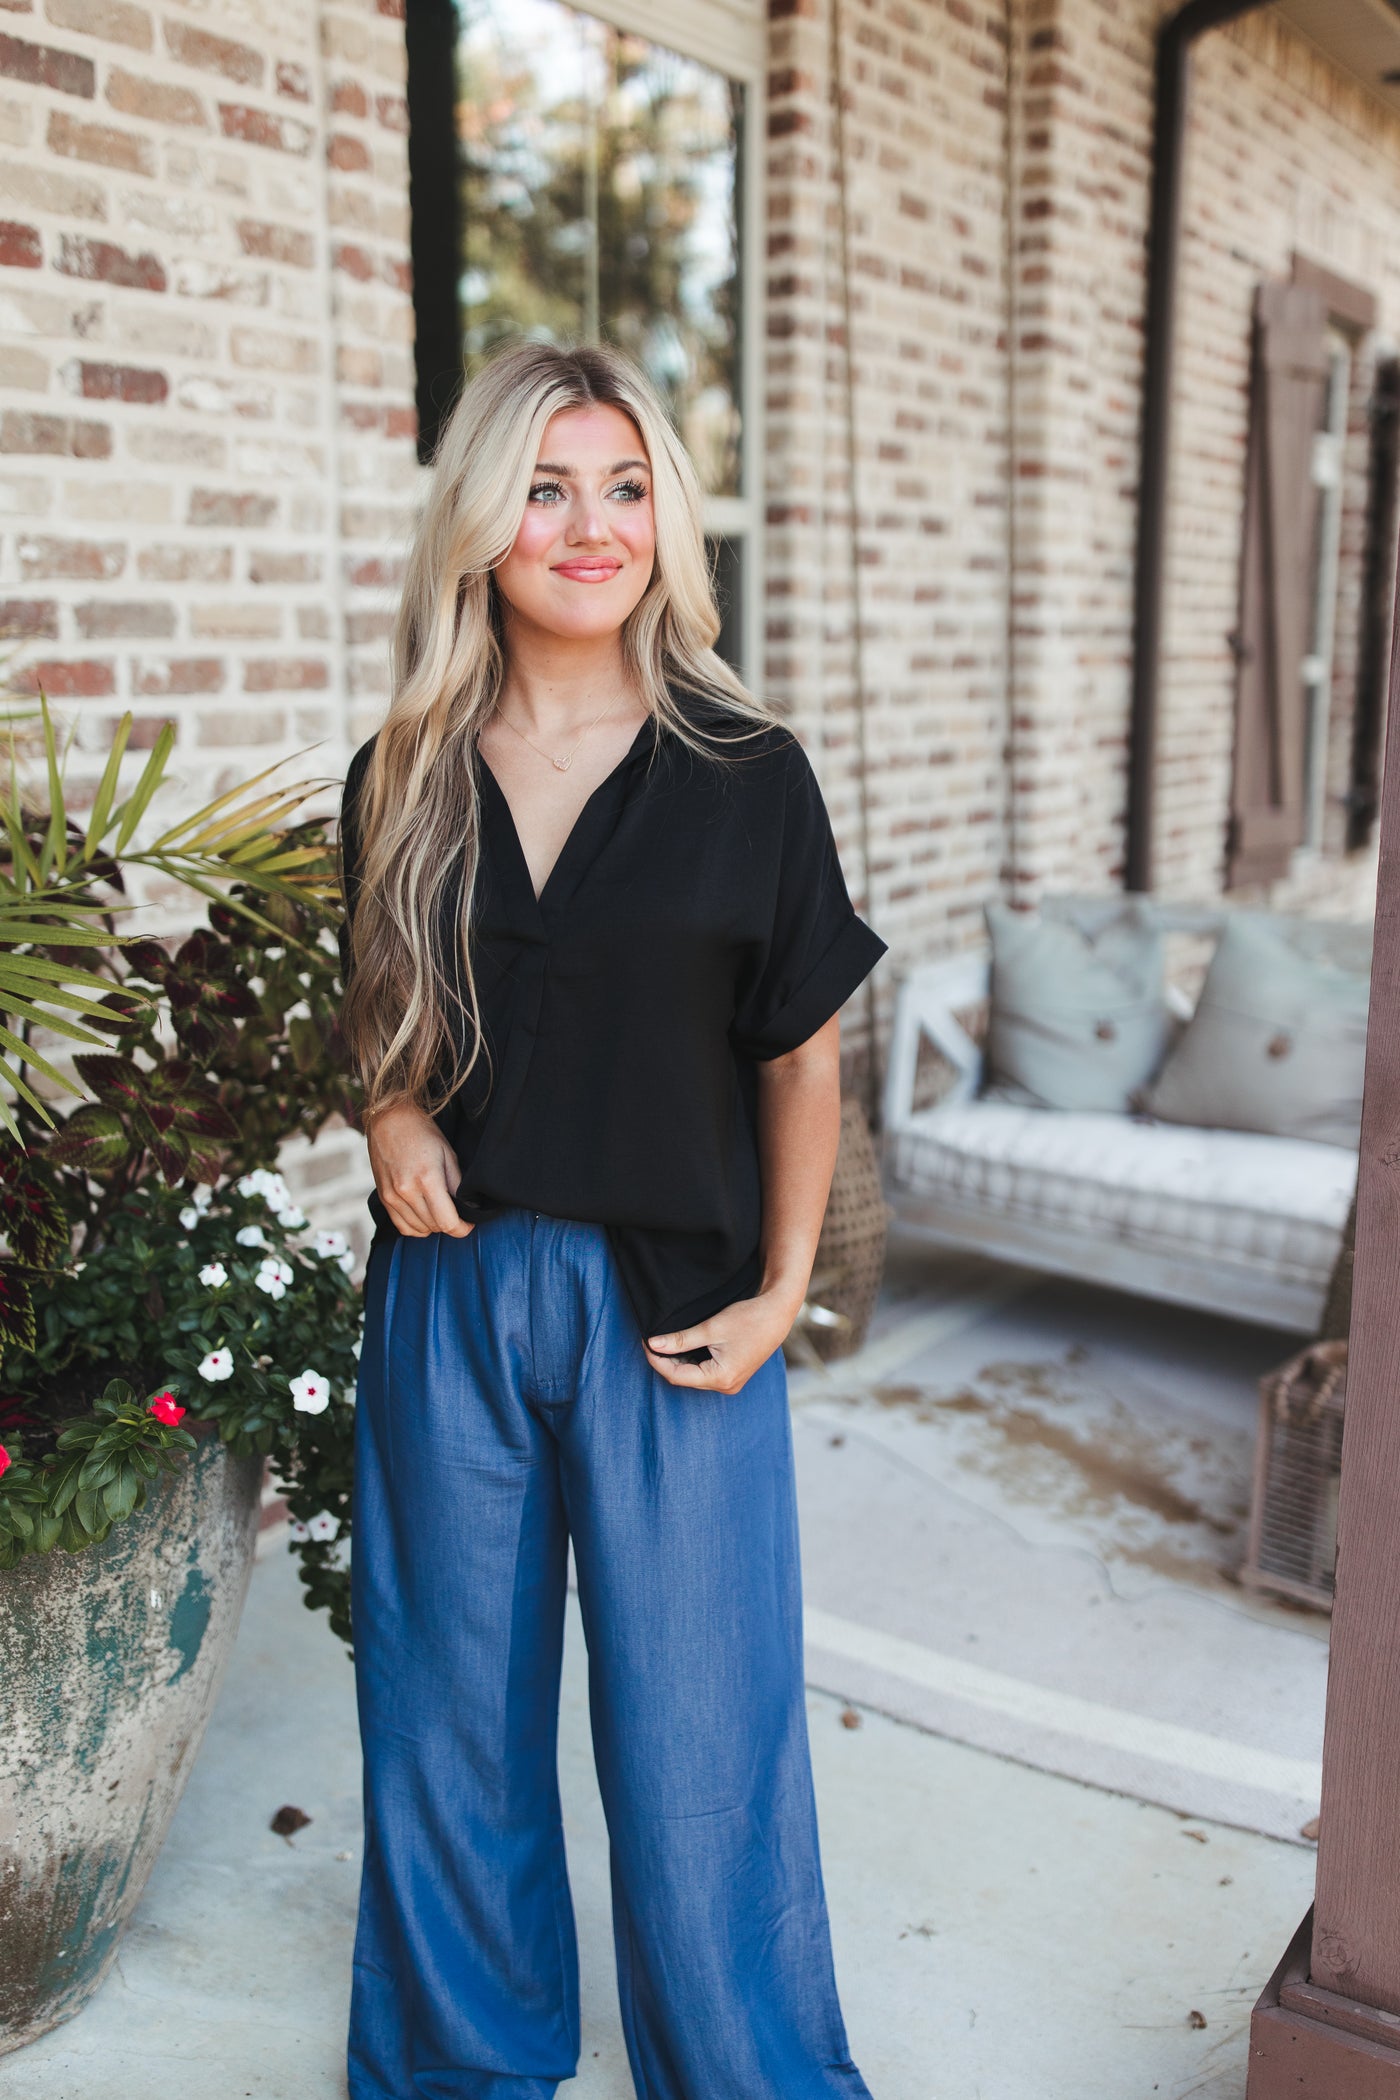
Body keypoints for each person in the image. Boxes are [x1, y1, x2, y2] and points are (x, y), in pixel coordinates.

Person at [336, 337, 886, 2100]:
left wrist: (788, 1283)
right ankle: (456, 2068)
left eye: (628, 486)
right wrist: (392, 1109)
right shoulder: (404, 768)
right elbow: (377, 1015)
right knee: (446, 1736)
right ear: (483, 523)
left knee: (701, 1749)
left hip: (682, 1312)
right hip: (456, 1297)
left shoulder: (750, 770)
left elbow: (803, 1060)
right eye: (549, 490)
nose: (594, 528)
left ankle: (747, 2078)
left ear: (670, 516)